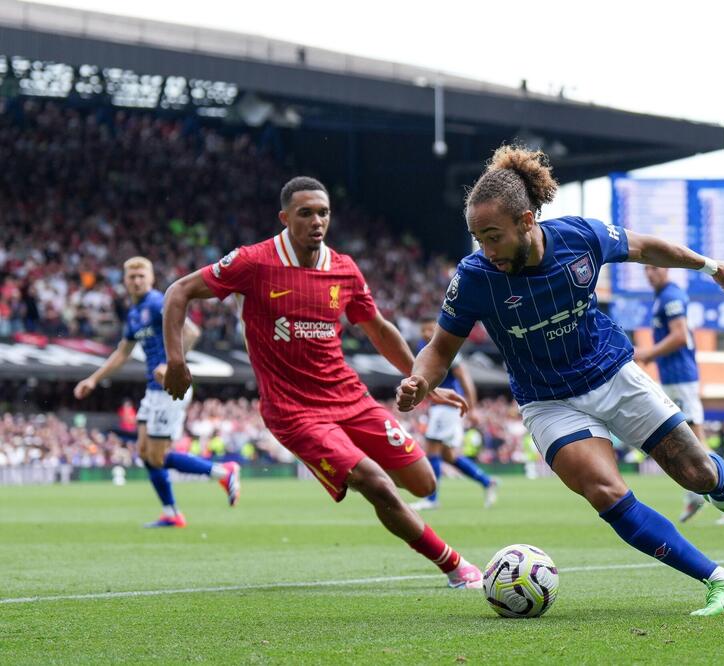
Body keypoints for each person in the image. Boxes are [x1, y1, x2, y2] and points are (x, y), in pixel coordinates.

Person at [397, 146, 724, 616]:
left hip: (612, 373)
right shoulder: (475, 278)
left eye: (493, 236)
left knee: (696, 473)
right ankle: (720, 582)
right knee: (606, 492)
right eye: (478, 238)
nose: (486, 250)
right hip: (547, 401)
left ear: (526, 220)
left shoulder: (581, 237)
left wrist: (707, 265)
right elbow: (440, 348)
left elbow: (644, 247)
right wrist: (419, 379)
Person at [160, 176, 483, 589]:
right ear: (284, 217)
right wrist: (176, 360)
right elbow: (178, 291)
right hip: (294, 411)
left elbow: (379, 329)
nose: (317, 221)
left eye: (324, 213)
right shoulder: (253, 262)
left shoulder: (344, 269)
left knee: (424, 481)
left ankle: (357, 474)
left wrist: (422, 380)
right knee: (376, 484)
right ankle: (455, 566)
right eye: (306, 213)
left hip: (350, 397)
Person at [73, 256, 240, 528]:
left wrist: (172, 363)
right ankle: (171, 513)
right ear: (125, 281)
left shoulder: (157, 302)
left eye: (142, 276)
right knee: (143, 452)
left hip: (168, 389)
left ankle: (224, 471)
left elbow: (192, 332)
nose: (137, 281)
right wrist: (93, 379)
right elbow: (122, 353)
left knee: (157, 456)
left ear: (151, 279)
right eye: (132, 277)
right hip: (152, 391)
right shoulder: (134, 313)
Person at [634, 266, 724, 526]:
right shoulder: (662, 297)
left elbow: (680, 336)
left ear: (666, 269)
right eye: (646, 268)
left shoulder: (671, 297)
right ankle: (696, 494)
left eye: (654, 267)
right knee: (684, 442)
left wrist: (648, 354)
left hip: (681, 378)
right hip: (673, 379)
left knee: (696, 442)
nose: (649, 273)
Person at [410, 316, 498, 511]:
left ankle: (431, 499)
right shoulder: (422, 349)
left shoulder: (445, 348)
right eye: (423, 330)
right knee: (448, 455)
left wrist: (473, 408)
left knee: (431, 449)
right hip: (439, 406)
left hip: (447, 404)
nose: (426, 333)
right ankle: (486, 481)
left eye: (430, 329)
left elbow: (464, 376)